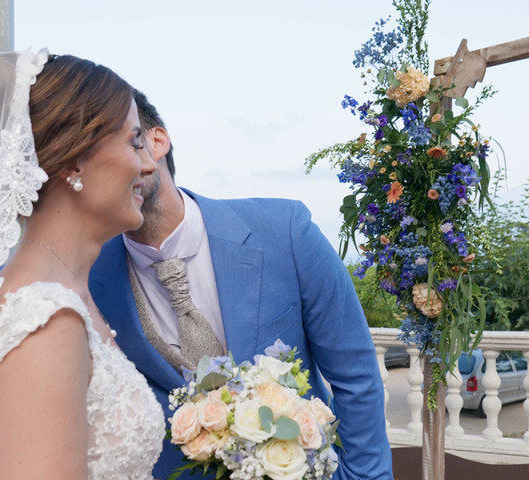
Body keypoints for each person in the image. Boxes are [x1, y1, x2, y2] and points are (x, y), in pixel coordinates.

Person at [89, 90, 394, 479]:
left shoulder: (286, 230)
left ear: (156, 141)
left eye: (107, 143)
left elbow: (355, 374)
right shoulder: (86, 276)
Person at [0, 50, 165, 479]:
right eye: (134, 140)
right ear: (74, 158)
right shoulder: (43, 318)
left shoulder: (62, 294)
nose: (149, 163)